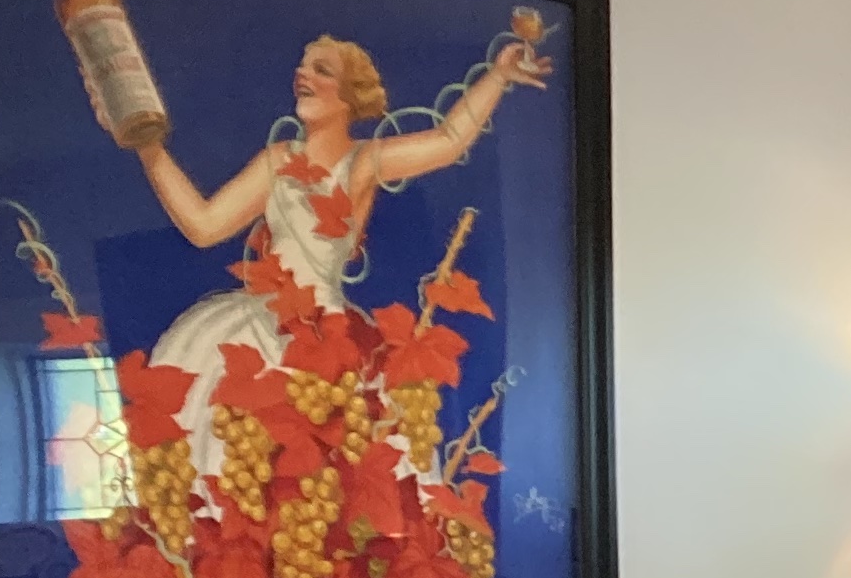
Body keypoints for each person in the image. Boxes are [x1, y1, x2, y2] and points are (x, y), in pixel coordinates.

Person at [108, 24, 549, 409]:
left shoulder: (362, 163)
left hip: (327, 335)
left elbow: (448, 140)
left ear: (349, 96)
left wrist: (498, 75)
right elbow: (203, 228)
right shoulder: (278, 159)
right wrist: (149, 149)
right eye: (303, 67)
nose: (303, 75)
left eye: (322, 69)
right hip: (254, 328)